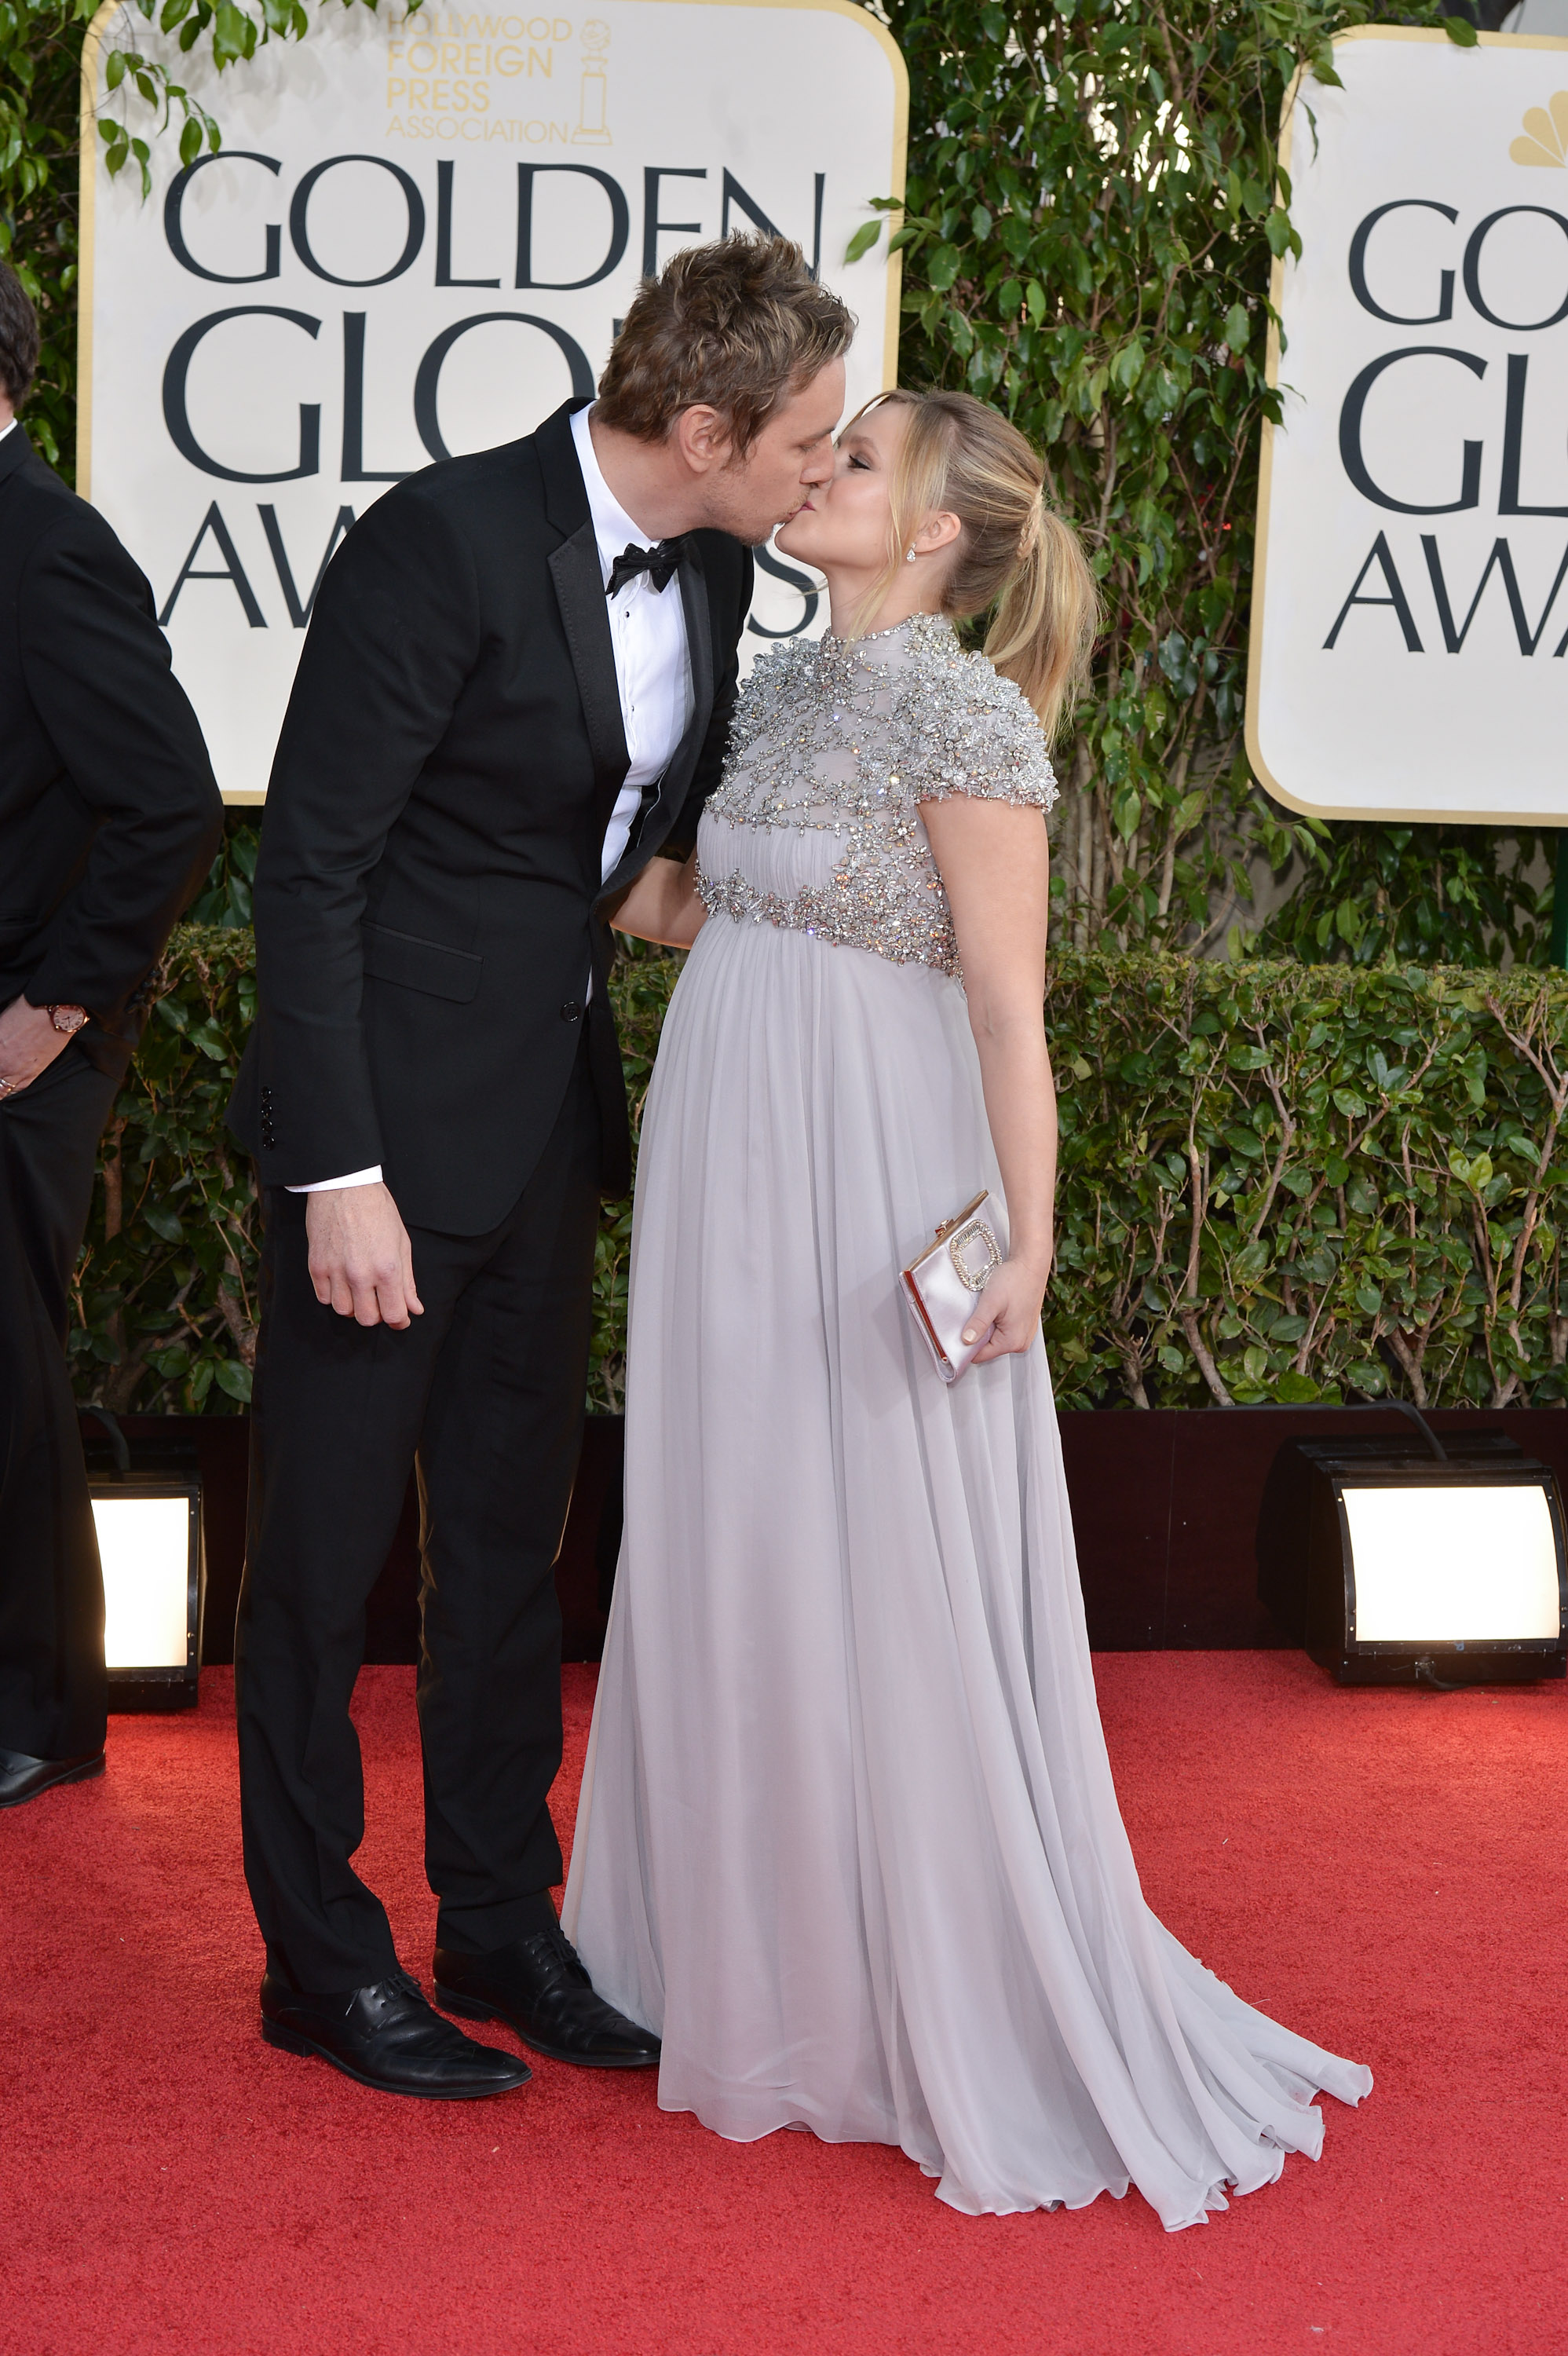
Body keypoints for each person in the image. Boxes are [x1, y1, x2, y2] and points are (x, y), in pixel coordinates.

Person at [564, 387, 1373, 2226]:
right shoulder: (777, 685)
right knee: (742, 1529)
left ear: (934, 527)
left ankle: (895, 1986)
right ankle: (746, 1961)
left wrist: (1028, 1247)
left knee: (877, 1546)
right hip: (731, 1145)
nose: (817, 469)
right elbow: (701, 905)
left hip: (873, 1162)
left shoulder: (964, 707)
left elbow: (1011, 1011)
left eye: (856, 459)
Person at [227, 236, 854, 2102]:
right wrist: (336, 1167)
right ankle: (316, 1963)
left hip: (553, 1129)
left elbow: (623, 850)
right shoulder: (441, 540)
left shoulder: (728, 567)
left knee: (505, 1566)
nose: (823, 471)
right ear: (700, 424)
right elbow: (311, 864)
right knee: (324, 1570)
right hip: (385, 1155)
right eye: (804, 443)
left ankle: (500, 1921)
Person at [0, 261, 222, 1812]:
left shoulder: (46, 547)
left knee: (3, 1377)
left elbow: (171, 803)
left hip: (14, 1042)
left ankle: (43, 1709)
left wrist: (57, 1008)